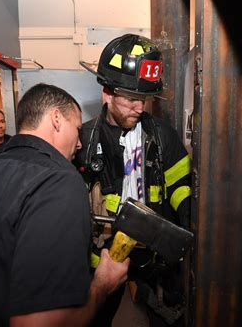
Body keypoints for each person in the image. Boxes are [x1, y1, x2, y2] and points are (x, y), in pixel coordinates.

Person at [0, 83, 129, 326]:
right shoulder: (60, 180)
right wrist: (103, 284)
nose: (79, 144)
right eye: (77, 130)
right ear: (56, 119)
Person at [76, 34, 192, 326]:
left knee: (166, 315)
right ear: (107, 93)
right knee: (95, 317)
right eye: (131, 99)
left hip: (153, 255)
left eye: (144, 99)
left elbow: (180, 186)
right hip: (105, 256)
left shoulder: (162, 135)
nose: (140, 108)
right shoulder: (85, 140)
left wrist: (186, 226)